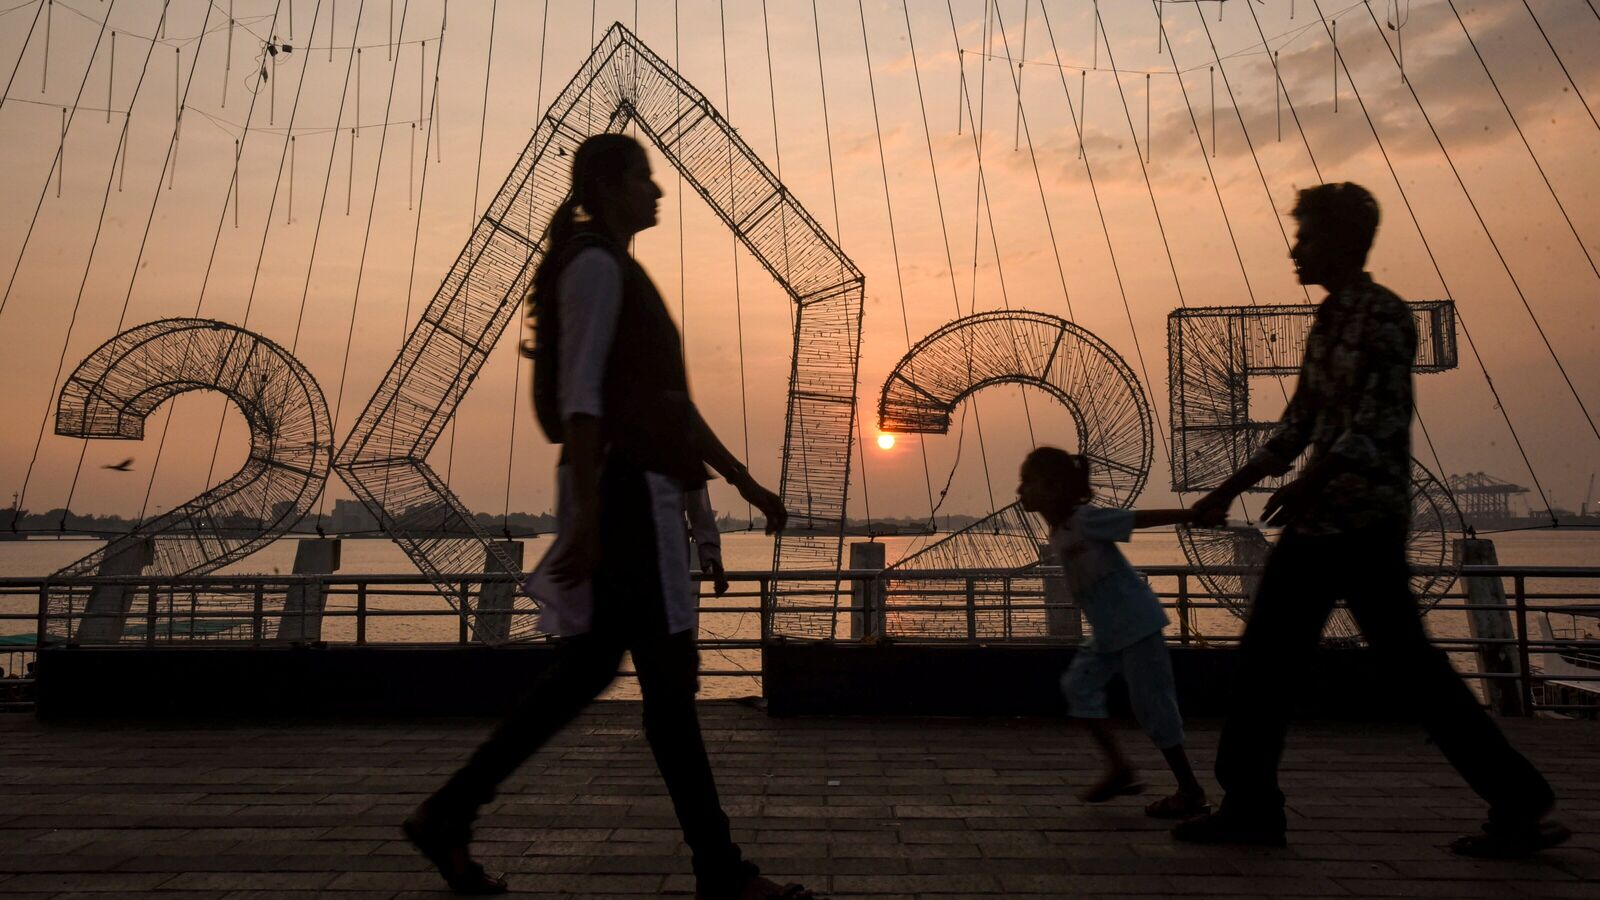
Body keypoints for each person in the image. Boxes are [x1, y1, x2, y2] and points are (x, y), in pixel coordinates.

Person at [404, 134, 811, 899]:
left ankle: (449, 813)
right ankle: (720, 871)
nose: (657, 194)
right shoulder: (594, 267)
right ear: (608, 185)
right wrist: (589, 518)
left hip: (626, 494)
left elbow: (670, 407)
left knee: (592, 675)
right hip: (625, 497)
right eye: (644, 180)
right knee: (665, 685)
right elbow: (583, 399)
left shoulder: (612, 267)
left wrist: (746, 485)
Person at [1172, 183, 1569, 857]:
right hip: (1324, 522)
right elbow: (1300, 424)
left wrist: (1305, 485)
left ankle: (1518, 801)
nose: (1295, 248)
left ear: (1341, 240)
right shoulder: (1330, 320)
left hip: (1361, 525)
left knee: (1385, 666)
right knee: (1273, 661)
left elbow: (1374, 426)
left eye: (1306, 235)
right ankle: (1252, 805)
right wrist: (1226, 492)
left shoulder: (1384, 318)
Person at [1017, 446, 1213, 819]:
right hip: (1108, 632)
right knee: (1078, 686)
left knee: (1152, 706)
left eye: (1029, 482)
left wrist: (1191, 515)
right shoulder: (1060, 529)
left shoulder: (1085, 519)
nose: (1021, 491)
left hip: (1137, 625)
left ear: (1055, 487)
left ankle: (1190, 789)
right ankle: (1120, 768)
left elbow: (1136, 519)